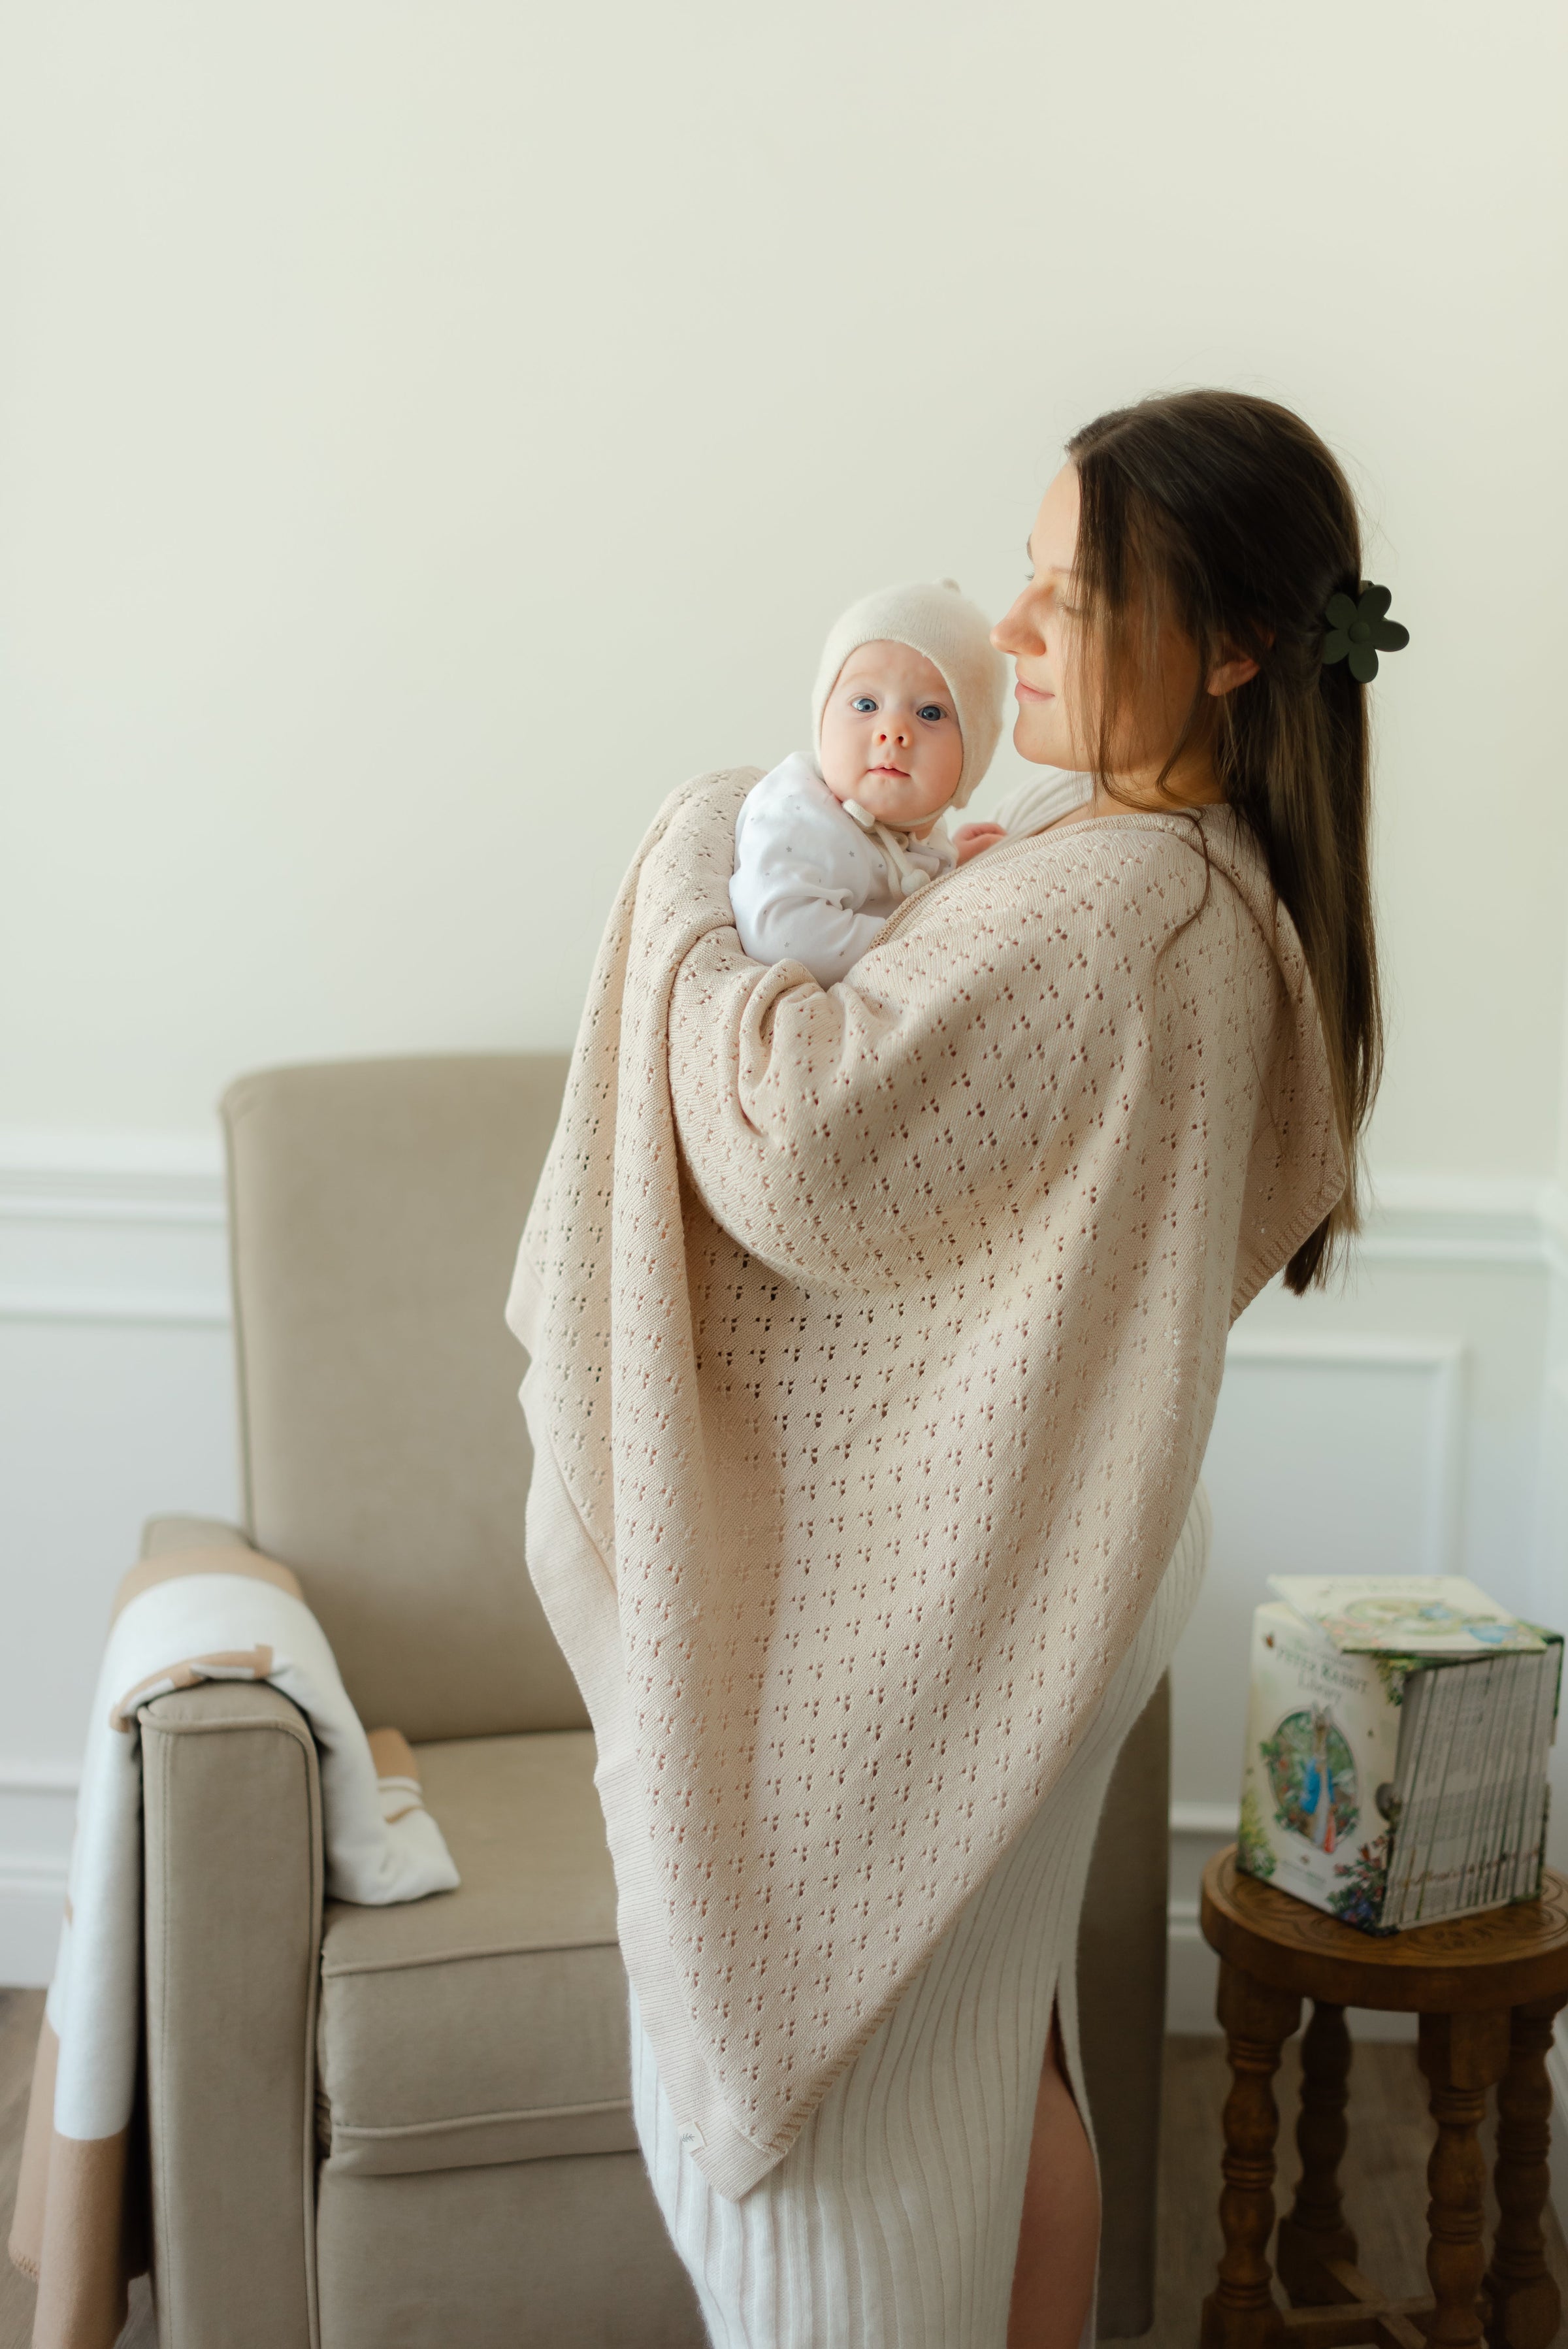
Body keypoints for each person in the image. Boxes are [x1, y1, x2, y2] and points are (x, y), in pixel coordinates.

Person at [509, 388, 1392, 2349]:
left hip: (1004, 1575)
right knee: (1003, 2059)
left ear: (1231, 646)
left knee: (853, 2134)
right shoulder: (1184, 867)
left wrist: (678, 871)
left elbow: (807, 1132)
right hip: (1089, 1549)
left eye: (1065, 593)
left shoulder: (1117, 901)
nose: (1007, 630)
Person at [728, 580, 1009, 988]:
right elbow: (782, 936)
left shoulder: (911, 828)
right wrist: (929, 937)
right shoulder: (800, 814)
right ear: (822, 719)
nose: (893, 731)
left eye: (930, 713)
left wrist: (953, 865)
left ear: (974, 756)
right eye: (866, 705)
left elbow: (896, 878)